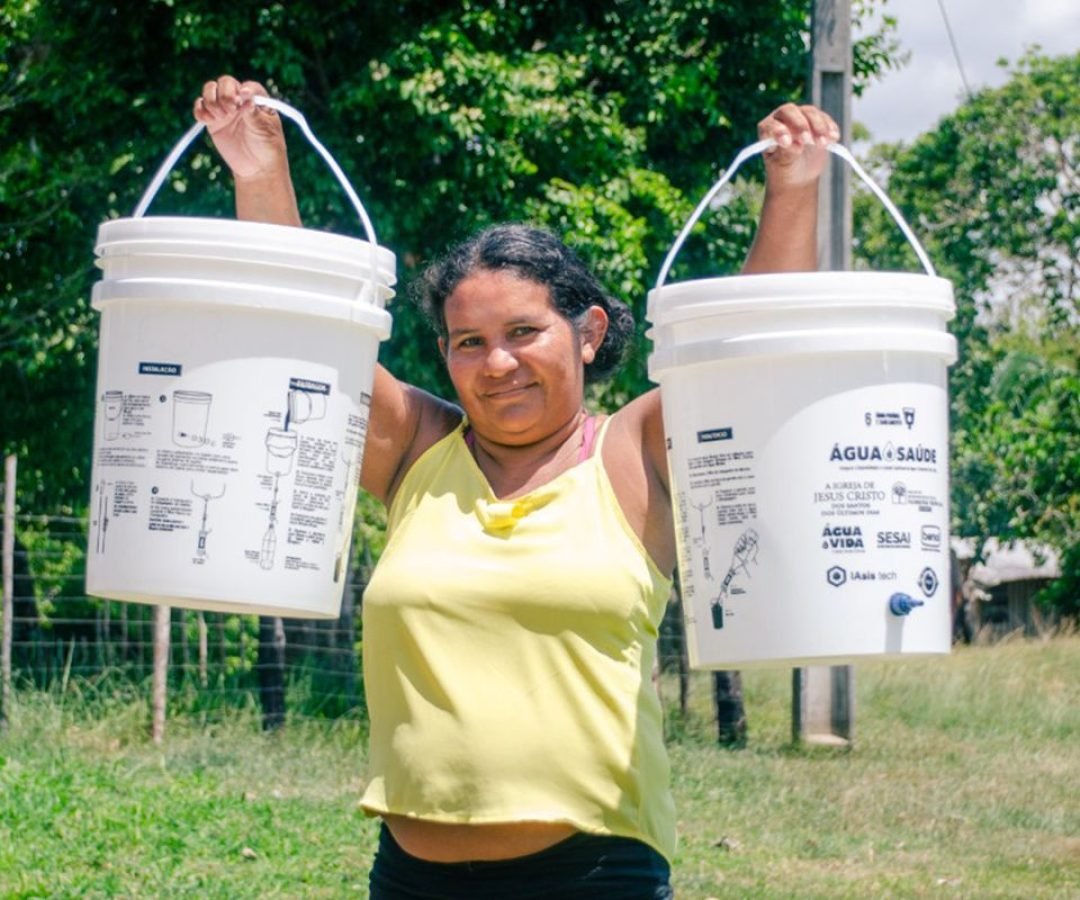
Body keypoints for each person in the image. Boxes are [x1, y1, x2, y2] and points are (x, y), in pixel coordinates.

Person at [195, 74, 838, 899]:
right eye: (469, 341)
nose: (497, 363)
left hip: (596, 875)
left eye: (524, 332)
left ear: (589, 331)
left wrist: (791, 192)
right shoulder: (416, 452)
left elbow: (747, 361)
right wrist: (260, 173)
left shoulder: (635, 453)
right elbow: (302, 341)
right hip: (411, 880)